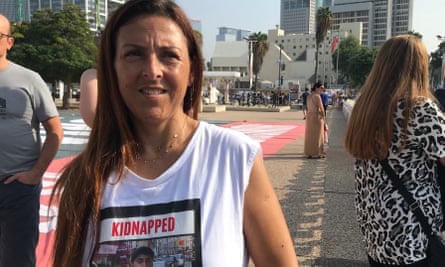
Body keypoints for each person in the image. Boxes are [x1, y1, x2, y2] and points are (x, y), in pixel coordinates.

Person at [50, 1, 298, 267]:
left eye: (169, 55)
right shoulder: (84, 177)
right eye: (134, 54)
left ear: (191, 70)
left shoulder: (234, 158)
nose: (153, 70)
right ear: (112, 68)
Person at [344, 35, 445, 266]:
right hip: (410, 233)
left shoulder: (364, 107)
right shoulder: (419, 108)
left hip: (375, 228)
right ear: (419, 66)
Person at [0, 14, 64, 267]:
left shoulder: (29, 79)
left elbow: (55, 132)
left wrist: (35, 174)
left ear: (9, 43)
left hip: (17, 186)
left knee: (17, 258)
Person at [303, 82, 326, 158]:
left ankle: (309, 152)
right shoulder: (317, 96)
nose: (322, 90)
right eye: (321, 88)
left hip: (309, 116)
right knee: (318, 135)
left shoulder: (309, 96)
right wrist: (323, 116)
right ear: (317, 88)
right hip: (316, 116)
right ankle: (319, 152)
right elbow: (321, 107)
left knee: (310, 135)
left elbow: (307, 107)